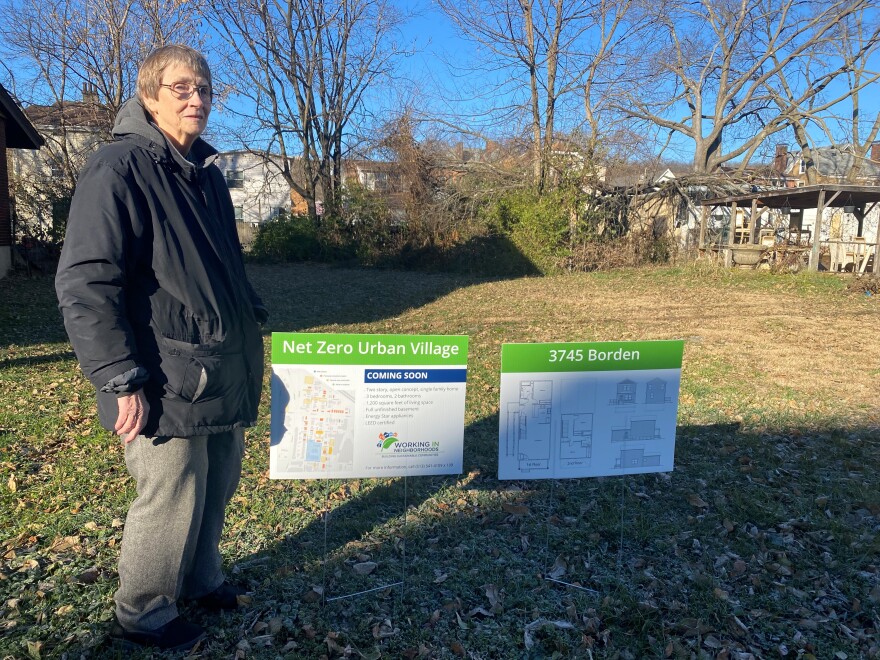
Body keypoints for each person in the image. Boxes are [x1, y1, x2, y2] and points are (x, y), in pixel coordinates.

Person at [55, 45, 267, 652]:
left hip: (221, 363)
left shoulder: (206, 174)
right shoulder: (118, 167)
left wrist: (250, 313)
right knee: (171, 490)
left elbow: (226, 266)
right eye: (181, 89)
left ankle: (201, 581)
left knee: (217, 480)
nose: (197, 99)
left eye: (203, 88)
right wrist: (119, 375)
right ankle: (143, 610)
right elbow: (86, 279)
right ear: (149, 96)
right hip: (162, 372)